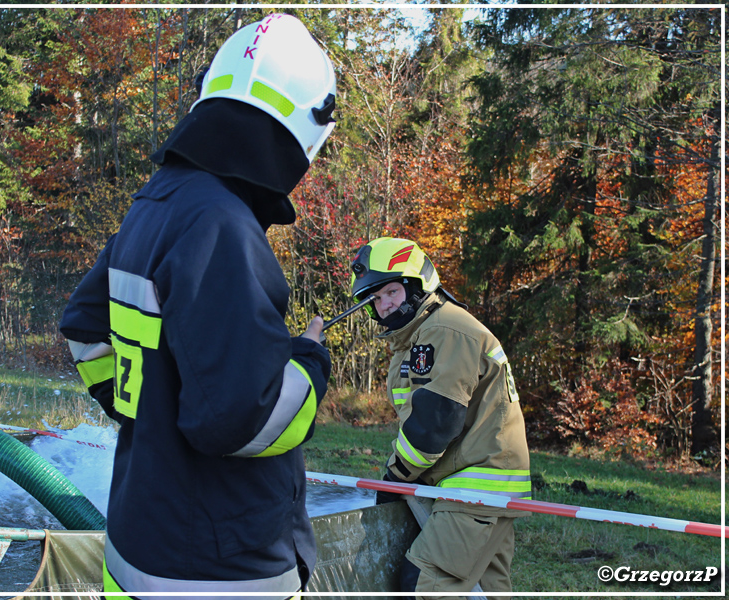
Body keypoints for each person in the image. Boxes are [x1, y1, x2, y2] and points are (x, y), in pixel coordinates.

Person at [59, 14, 335, 599]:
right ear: (302, 132)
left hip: (138, 545)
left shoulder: (155, 203)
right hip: (218, 570)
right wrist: (309, 362)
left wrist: (142, 409)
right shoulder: (222, 227)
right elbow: (245, 417)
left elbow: (85, 327)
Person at [349, 237, 531, 598]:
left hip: (475, 488)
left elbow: (434, 424)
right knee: (486, 590)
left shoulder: (440, 330)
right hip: (483, 485)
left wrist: (394, 477)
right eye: (375, 300)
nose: (385, 306)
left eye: (391, 292)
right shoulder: (428, 331)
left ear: (417, 285)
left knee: (426, 582)